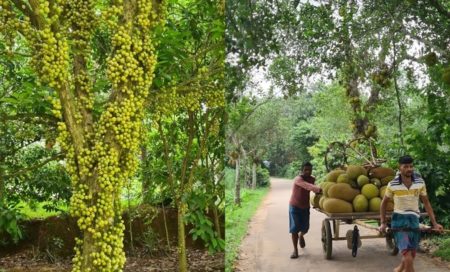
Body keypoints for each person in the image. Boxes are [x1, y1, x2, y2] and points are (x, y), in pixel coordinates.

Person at [380, 155, 443, 272]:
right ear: (400, 168)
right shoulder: (392, 184)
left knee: (411, 254)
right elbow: (383, 204)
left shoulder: (419, 182)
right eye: (406, 166)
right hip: (399, 221)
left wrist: (435, 223)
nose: (409, 169)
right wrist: (383, 223)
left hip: (414, 220)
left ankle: (398, 270)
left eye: (411, 166)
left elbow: (427, 203)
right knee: (408, 256)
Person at [289, 162, 322, 259]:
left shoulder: (312, 179)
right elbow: (308, 186)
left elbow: (313, 189)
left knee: (305, 228)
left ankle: (301, 235)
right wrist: (319, 189)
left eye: (309, 170)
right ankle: (295, 251)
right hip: (294, 206)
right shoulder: (298, 179)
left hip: (305, 207)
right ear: (302, 170)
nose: (308, 172)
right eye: (306, 170)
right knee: (294, 229)